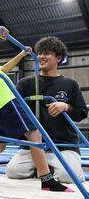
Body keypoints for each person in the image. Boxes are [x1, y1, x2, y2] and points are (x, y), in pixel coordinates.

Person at [0, 27, 73, 192]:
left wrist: (21, 54)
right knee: (35, 134)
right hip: (7, 103)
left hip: (0, 108)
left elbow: (4, 69)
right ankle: (47, 180)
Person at [6, 36, 88, 183]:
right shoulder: (26, 83)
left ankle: (48, 169)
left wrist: (66, 107)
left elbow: (81, 113)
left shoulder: (70, 84)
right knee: (13, 171)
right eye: (39, 53)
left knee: (68, 176)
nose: (41, 57)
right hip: (33, 146)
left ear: (58, 58)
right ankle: (45, 168)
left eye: (47, 53)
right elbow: (13, 110)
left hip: (63, 146)